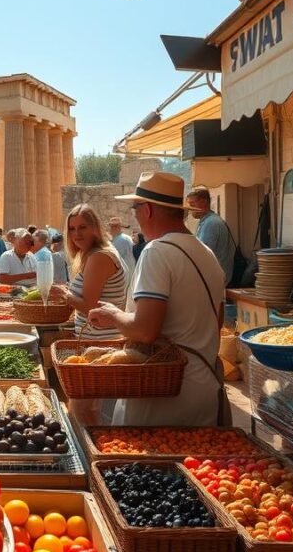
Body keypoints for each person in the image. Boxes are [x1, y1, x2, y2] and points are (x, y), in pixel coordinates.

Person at [89, 172, 226, 427]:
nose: (136, 217)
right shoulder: (206, 253)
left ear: (148, 210)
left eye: (135, 208)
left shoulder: (156, 251)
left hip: (162, 395)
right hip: (204, 390)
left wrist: (113, 316)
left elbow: (145, 330)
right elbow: (216, 324)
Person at [50, 205, 127, 338]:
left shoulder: (99, 257)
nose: (76, 234)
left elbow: (91, 307)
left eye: (82, 227)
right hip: (97, 337)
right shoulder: (97, 253)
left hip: (100, 340)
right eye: (72, 229)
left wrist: (65, 294)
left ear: (95, 228)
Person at [187, 187, 235, 287]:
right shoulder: (207, 221)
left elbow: (202, 254)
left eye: (192, 204)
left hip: (215, 281)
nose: (190, 209)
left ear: (204, 202)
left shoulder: (211, 223)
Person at [109, 217, 136, 281]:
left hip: (124, 275)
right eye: (111, 226)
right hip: (128, 273)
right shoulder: (124, 238)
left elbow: (114, 259)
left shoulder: (121, 240)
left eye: (114, 226)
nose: (112, 229)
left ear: (118, 227)